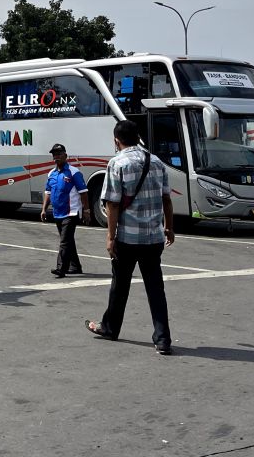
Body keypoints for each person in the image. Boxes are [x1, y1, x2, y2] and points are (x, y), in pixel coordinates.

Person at [85, 120, 175, 355]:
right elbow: (166, 199)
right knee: (156, 289)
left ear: (117, 140)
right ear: (138, 137)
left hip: (127, 238)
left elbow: (112, 205)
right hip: (153, 238)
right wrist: (169, 227)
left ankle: (110, 328)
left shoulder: (117, 162)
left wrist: (110, 237)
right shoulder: (156, 162)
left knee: (120, 285)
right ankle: (163, 339)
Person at [40, 143, 91, 277]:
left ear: (65, 156)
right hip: (58, 212)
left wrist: (86, 211)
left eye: (59, 154)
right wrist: (44, 209)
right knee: (68, 240)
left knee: (64, 241)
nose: (56, 157)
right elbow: (48, 192)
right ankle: (75, 267)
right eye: (54, 155)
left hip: (71, 212)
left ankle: (61, 268)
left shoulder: (74, 172)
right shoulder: (51, 174)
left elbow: (83, 192)